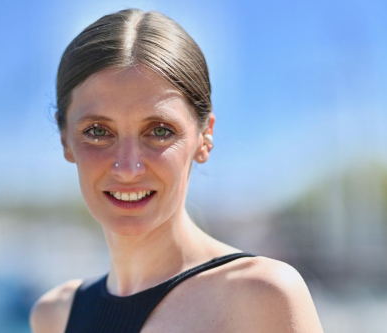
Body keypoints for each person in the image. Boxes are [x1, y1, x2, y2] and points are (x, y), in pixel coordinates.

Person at [29, 8, 324, 333]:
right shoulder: (54, 316)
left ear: (204, 136)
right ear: (65, 139)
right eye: (98, 131)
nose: (128, 169)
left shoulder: (260, 296)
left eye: (159, 131)